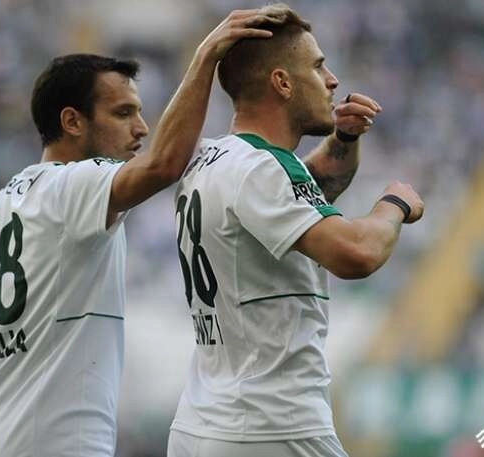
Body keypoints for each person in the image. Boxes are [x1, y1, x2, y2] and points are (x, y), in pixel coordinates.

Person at [0, 8, 286, 457]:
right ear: (72, 122)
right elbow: (164, 165)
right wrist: (205, 57)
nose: (141, 128)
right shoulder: (75, 185)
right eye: (124, 113)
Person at [167, 4, 424, 457]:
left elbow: (305, 191)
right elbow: (357, 253)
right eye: (318, 66)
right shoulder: (261, 169)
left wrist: (344, 139)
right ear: (282, 82)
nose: (332, 80)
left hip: (201, 423)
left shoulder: (213, 159)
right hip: (272, 422)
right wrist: (395, 204)